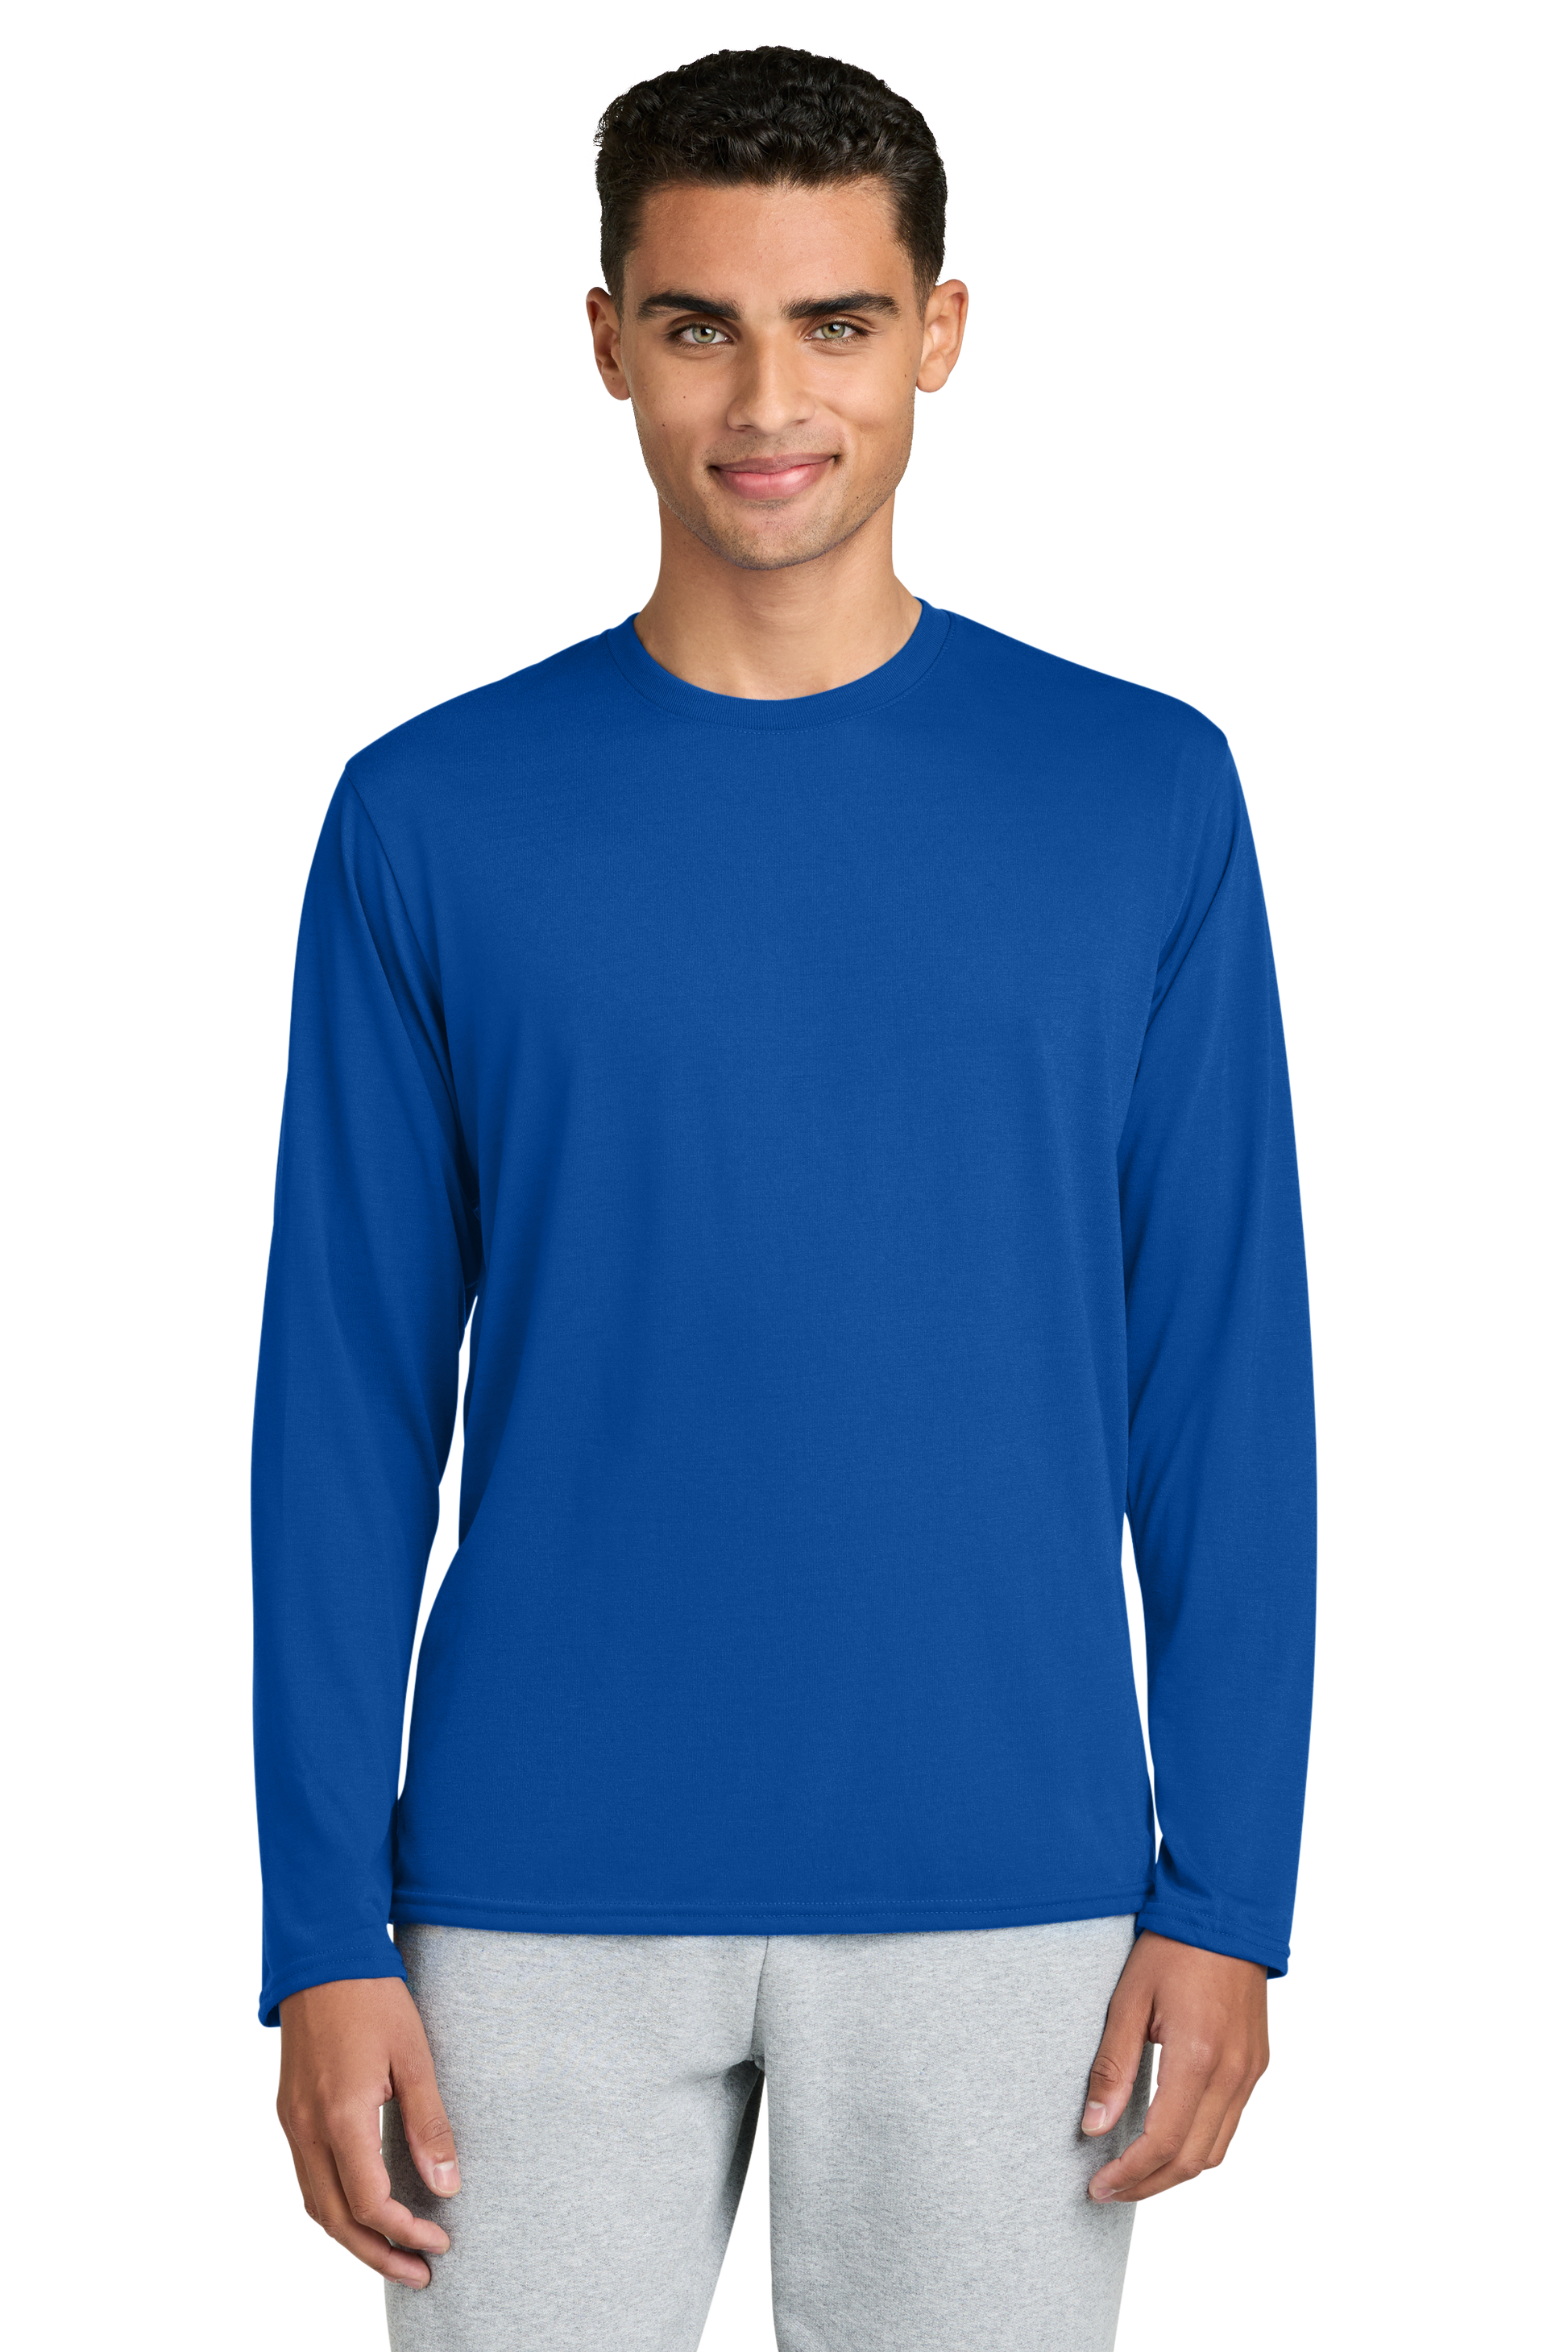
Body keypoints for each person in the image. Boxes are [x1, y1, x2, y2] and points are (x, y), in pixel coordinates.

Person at [250, 40, 1318, 2351]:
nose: (767, 400)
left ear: (941, 331)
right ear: (606, 341)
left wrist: (1235, 1888)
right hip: (527, 1893)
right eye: (699, 323)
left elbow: (1226, 1379)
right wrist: (318, 1929)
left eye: (835, 322)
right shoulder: (431, 814)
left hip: (1014, 1889)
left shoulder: (1140, 790)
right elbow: (341, 1407)